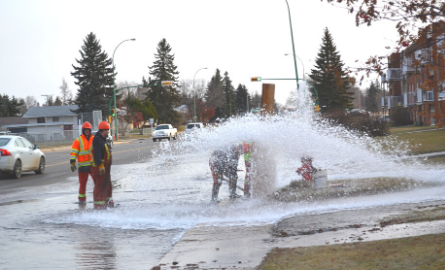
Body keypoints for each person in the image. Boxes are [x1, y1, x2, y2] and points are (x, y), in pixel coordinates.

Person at [91, 121, 113, 209]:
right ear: (103, 130)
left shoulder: (102, 140)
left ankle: (108, 204)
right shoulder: (97, 140)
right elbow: (97, 154)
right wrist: (100, 166)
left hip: (105, 169)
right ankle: (99, 206)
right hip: (100, 169)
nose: (108, 132)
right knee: (100, 187)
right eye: (107, 130)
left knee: (108, 186)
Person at [70, 121, 94, 205]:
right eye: (85, 130)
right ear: (83, 130)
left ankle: (99, 196)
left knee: (97, 182)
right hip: (83, 167)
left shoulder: (94, 139)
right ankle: (82, 199)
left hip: (92, 166)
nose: (87, 131)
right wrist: (72, 163)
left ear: (90, 130)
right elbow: (74, 152)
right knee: (82, 184)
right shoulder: (78, 141)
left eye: (88, 130)